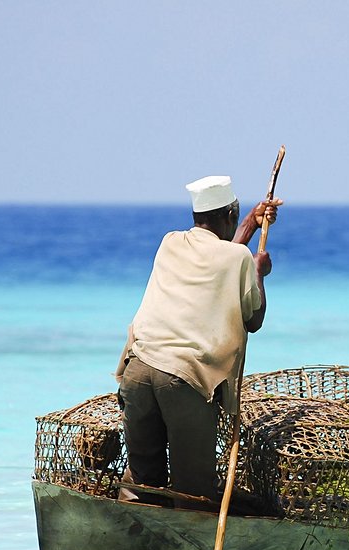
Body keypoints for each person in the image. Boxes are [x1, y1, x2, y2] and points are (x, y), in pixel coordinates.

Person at [114, 175, 281, 509]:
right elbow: (254, 319)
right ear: (227, 217)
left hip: (138, 369)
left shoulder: (171, 242)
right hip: (183, 380)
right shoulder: (241, 260)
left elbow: (220, 255)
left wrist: (250, 221)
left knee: (143, 483)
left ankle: (131, 536)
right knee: (193, 492)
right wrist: (259, 273)